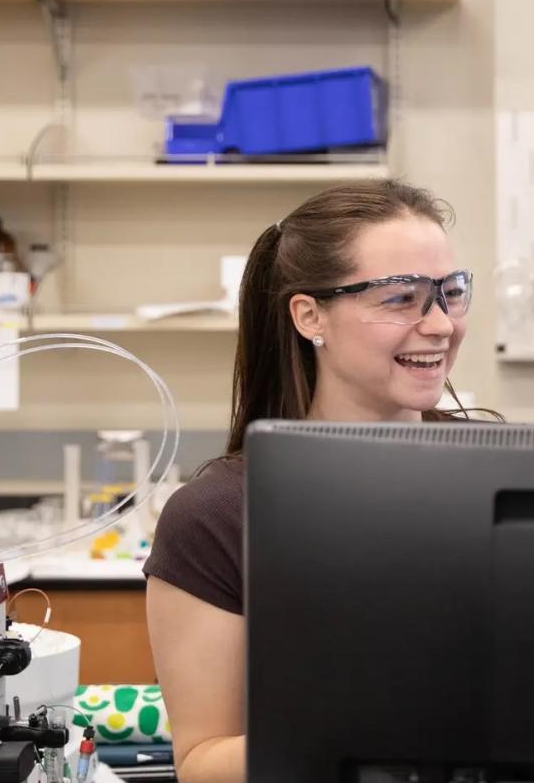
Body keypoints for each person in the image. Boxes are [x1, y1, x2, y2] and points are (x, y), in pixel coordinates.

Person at [142, 180, 488, 783]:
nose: (440, 325)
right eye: (402, 298)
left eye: (450, 293)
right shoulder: (220, 516)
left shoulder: (500, 479)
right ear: (309, 316)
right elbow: (201, 763)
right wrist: (369, 724)